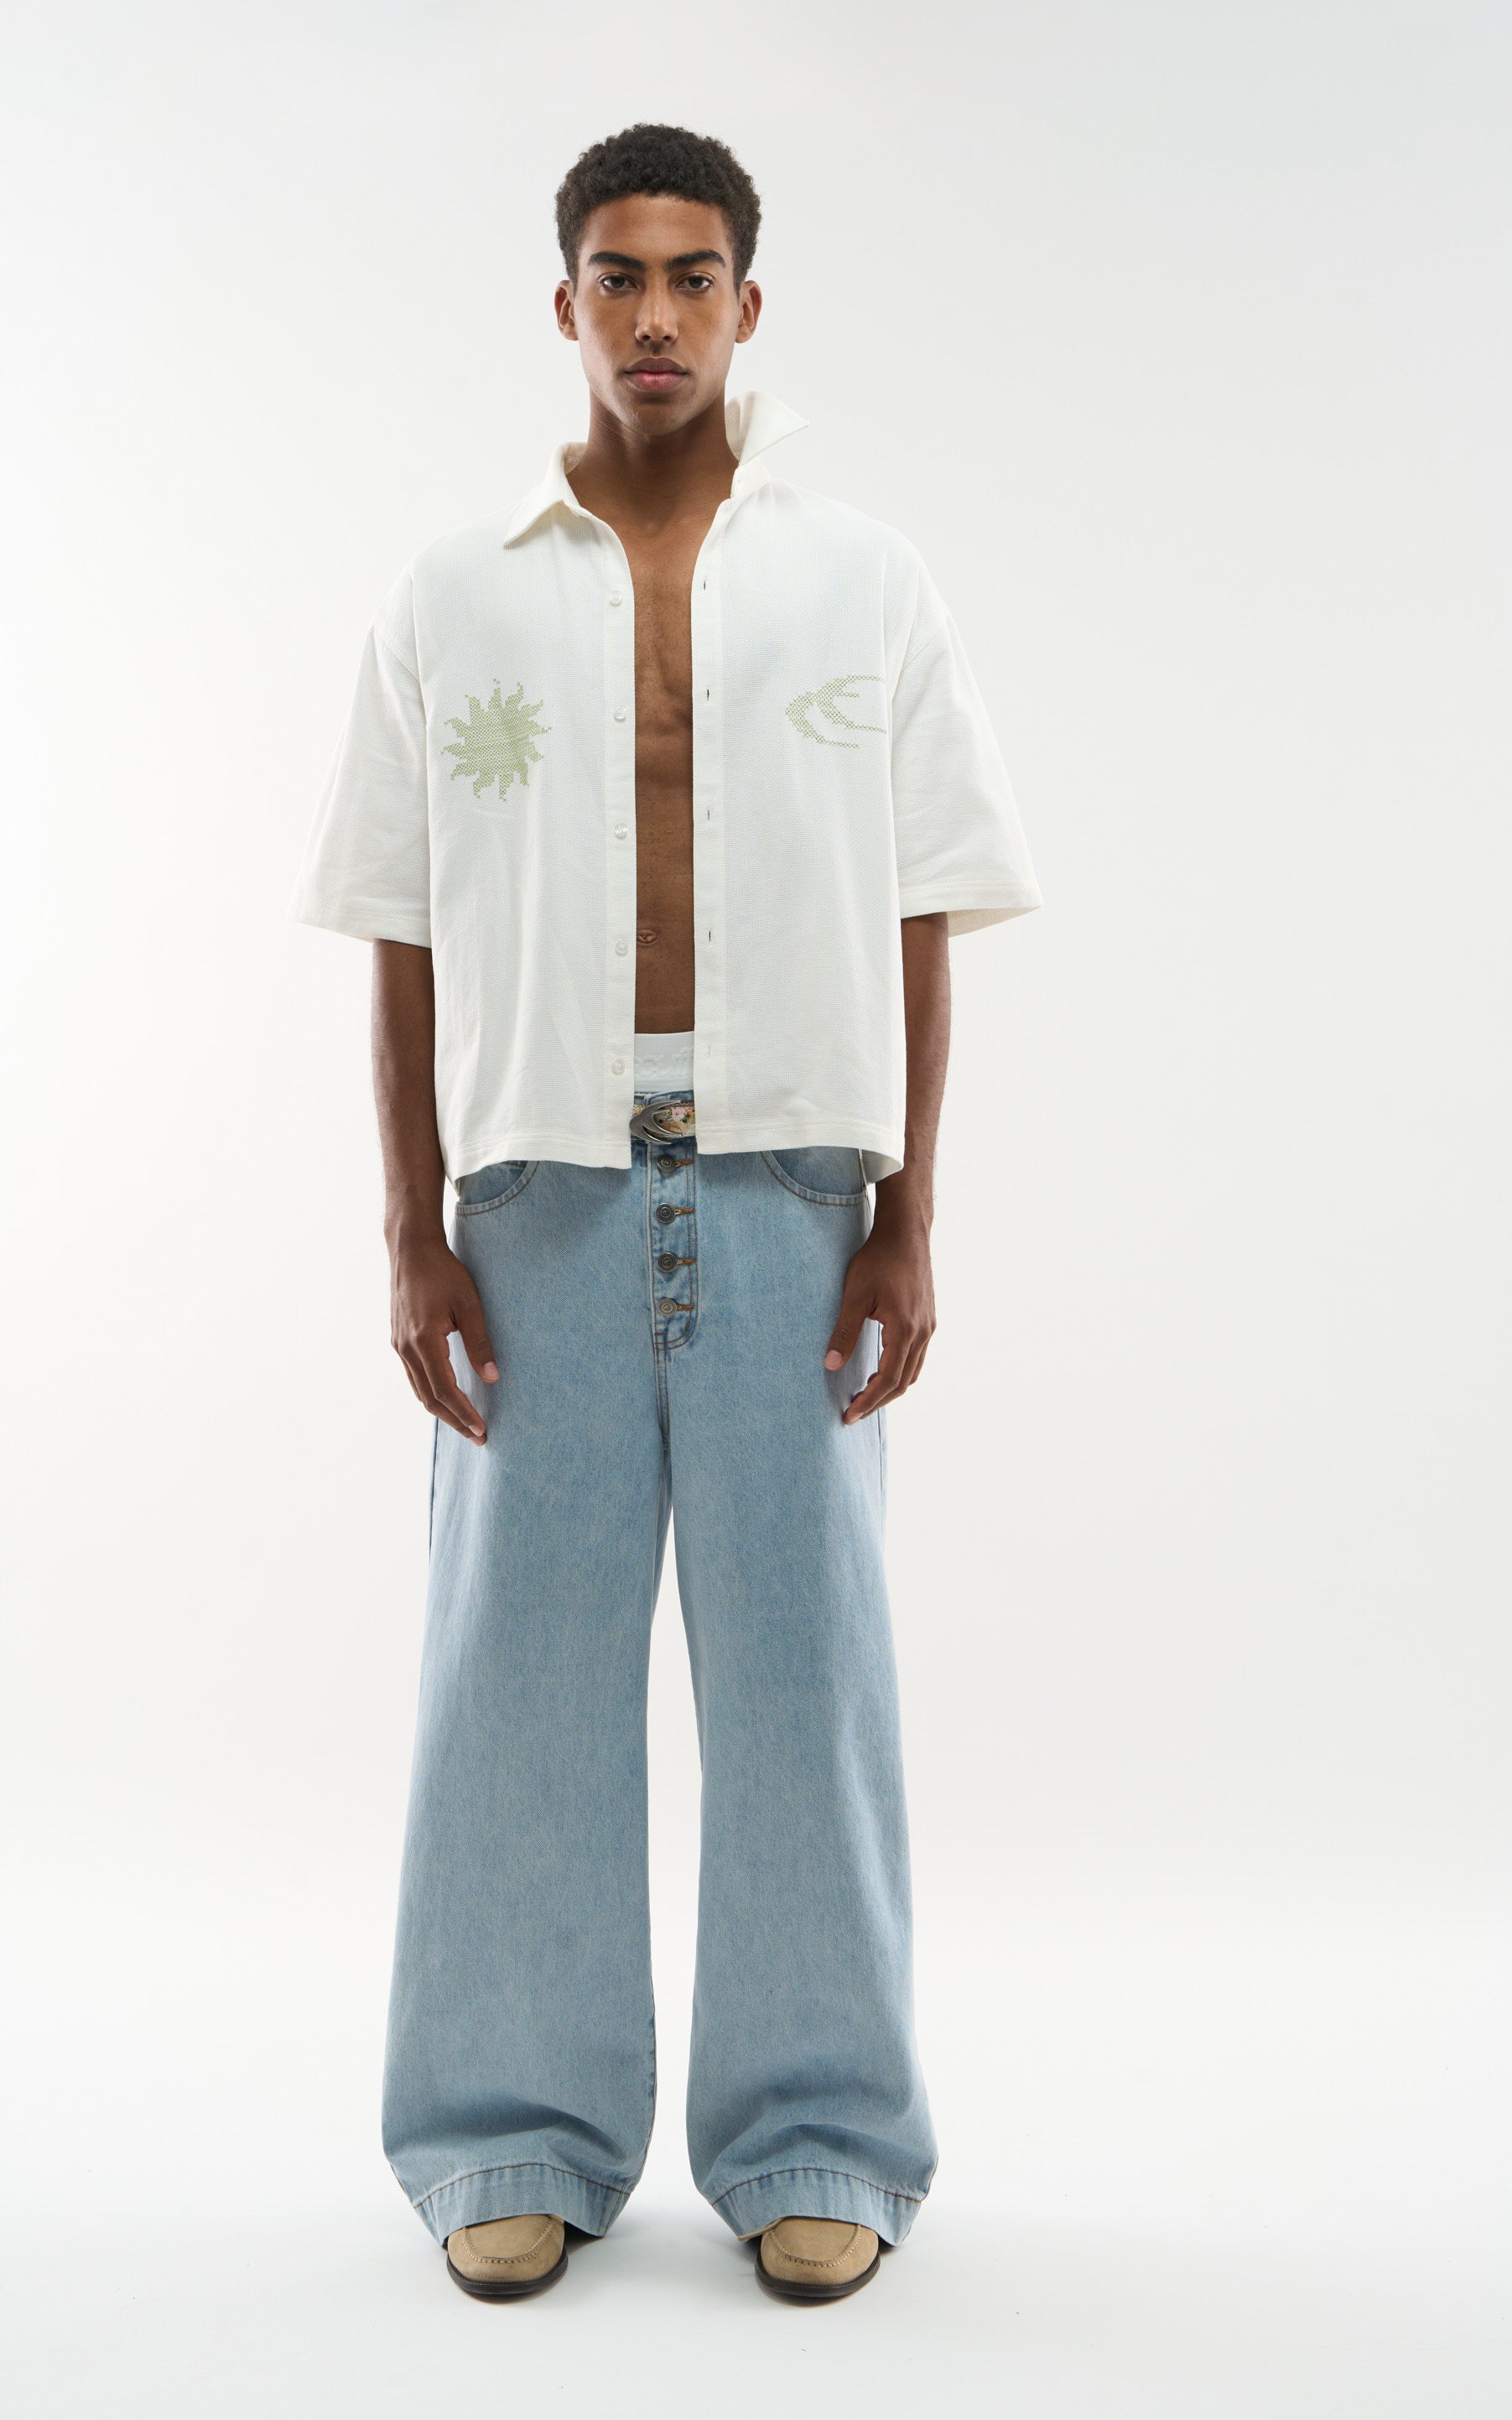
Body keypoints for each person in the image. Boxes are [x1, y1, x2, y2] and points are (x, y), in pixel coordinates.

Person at [292, 122, 1041, 2303]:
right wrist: (411, 1228)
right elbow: (396, 929)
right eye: (615, 275)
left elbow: (921, 902)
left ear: (745, 306)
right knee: (515, 1679)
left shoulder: (859, 580)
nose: (652, 314)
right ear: (564, 305)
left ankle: (821, 2133)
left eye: (690, 275)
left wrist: (905, 1208)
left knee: (807, 1675)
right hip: (536, 1184)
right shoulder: (454, 593)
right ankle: (504, 2126)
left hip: (794, 1180)